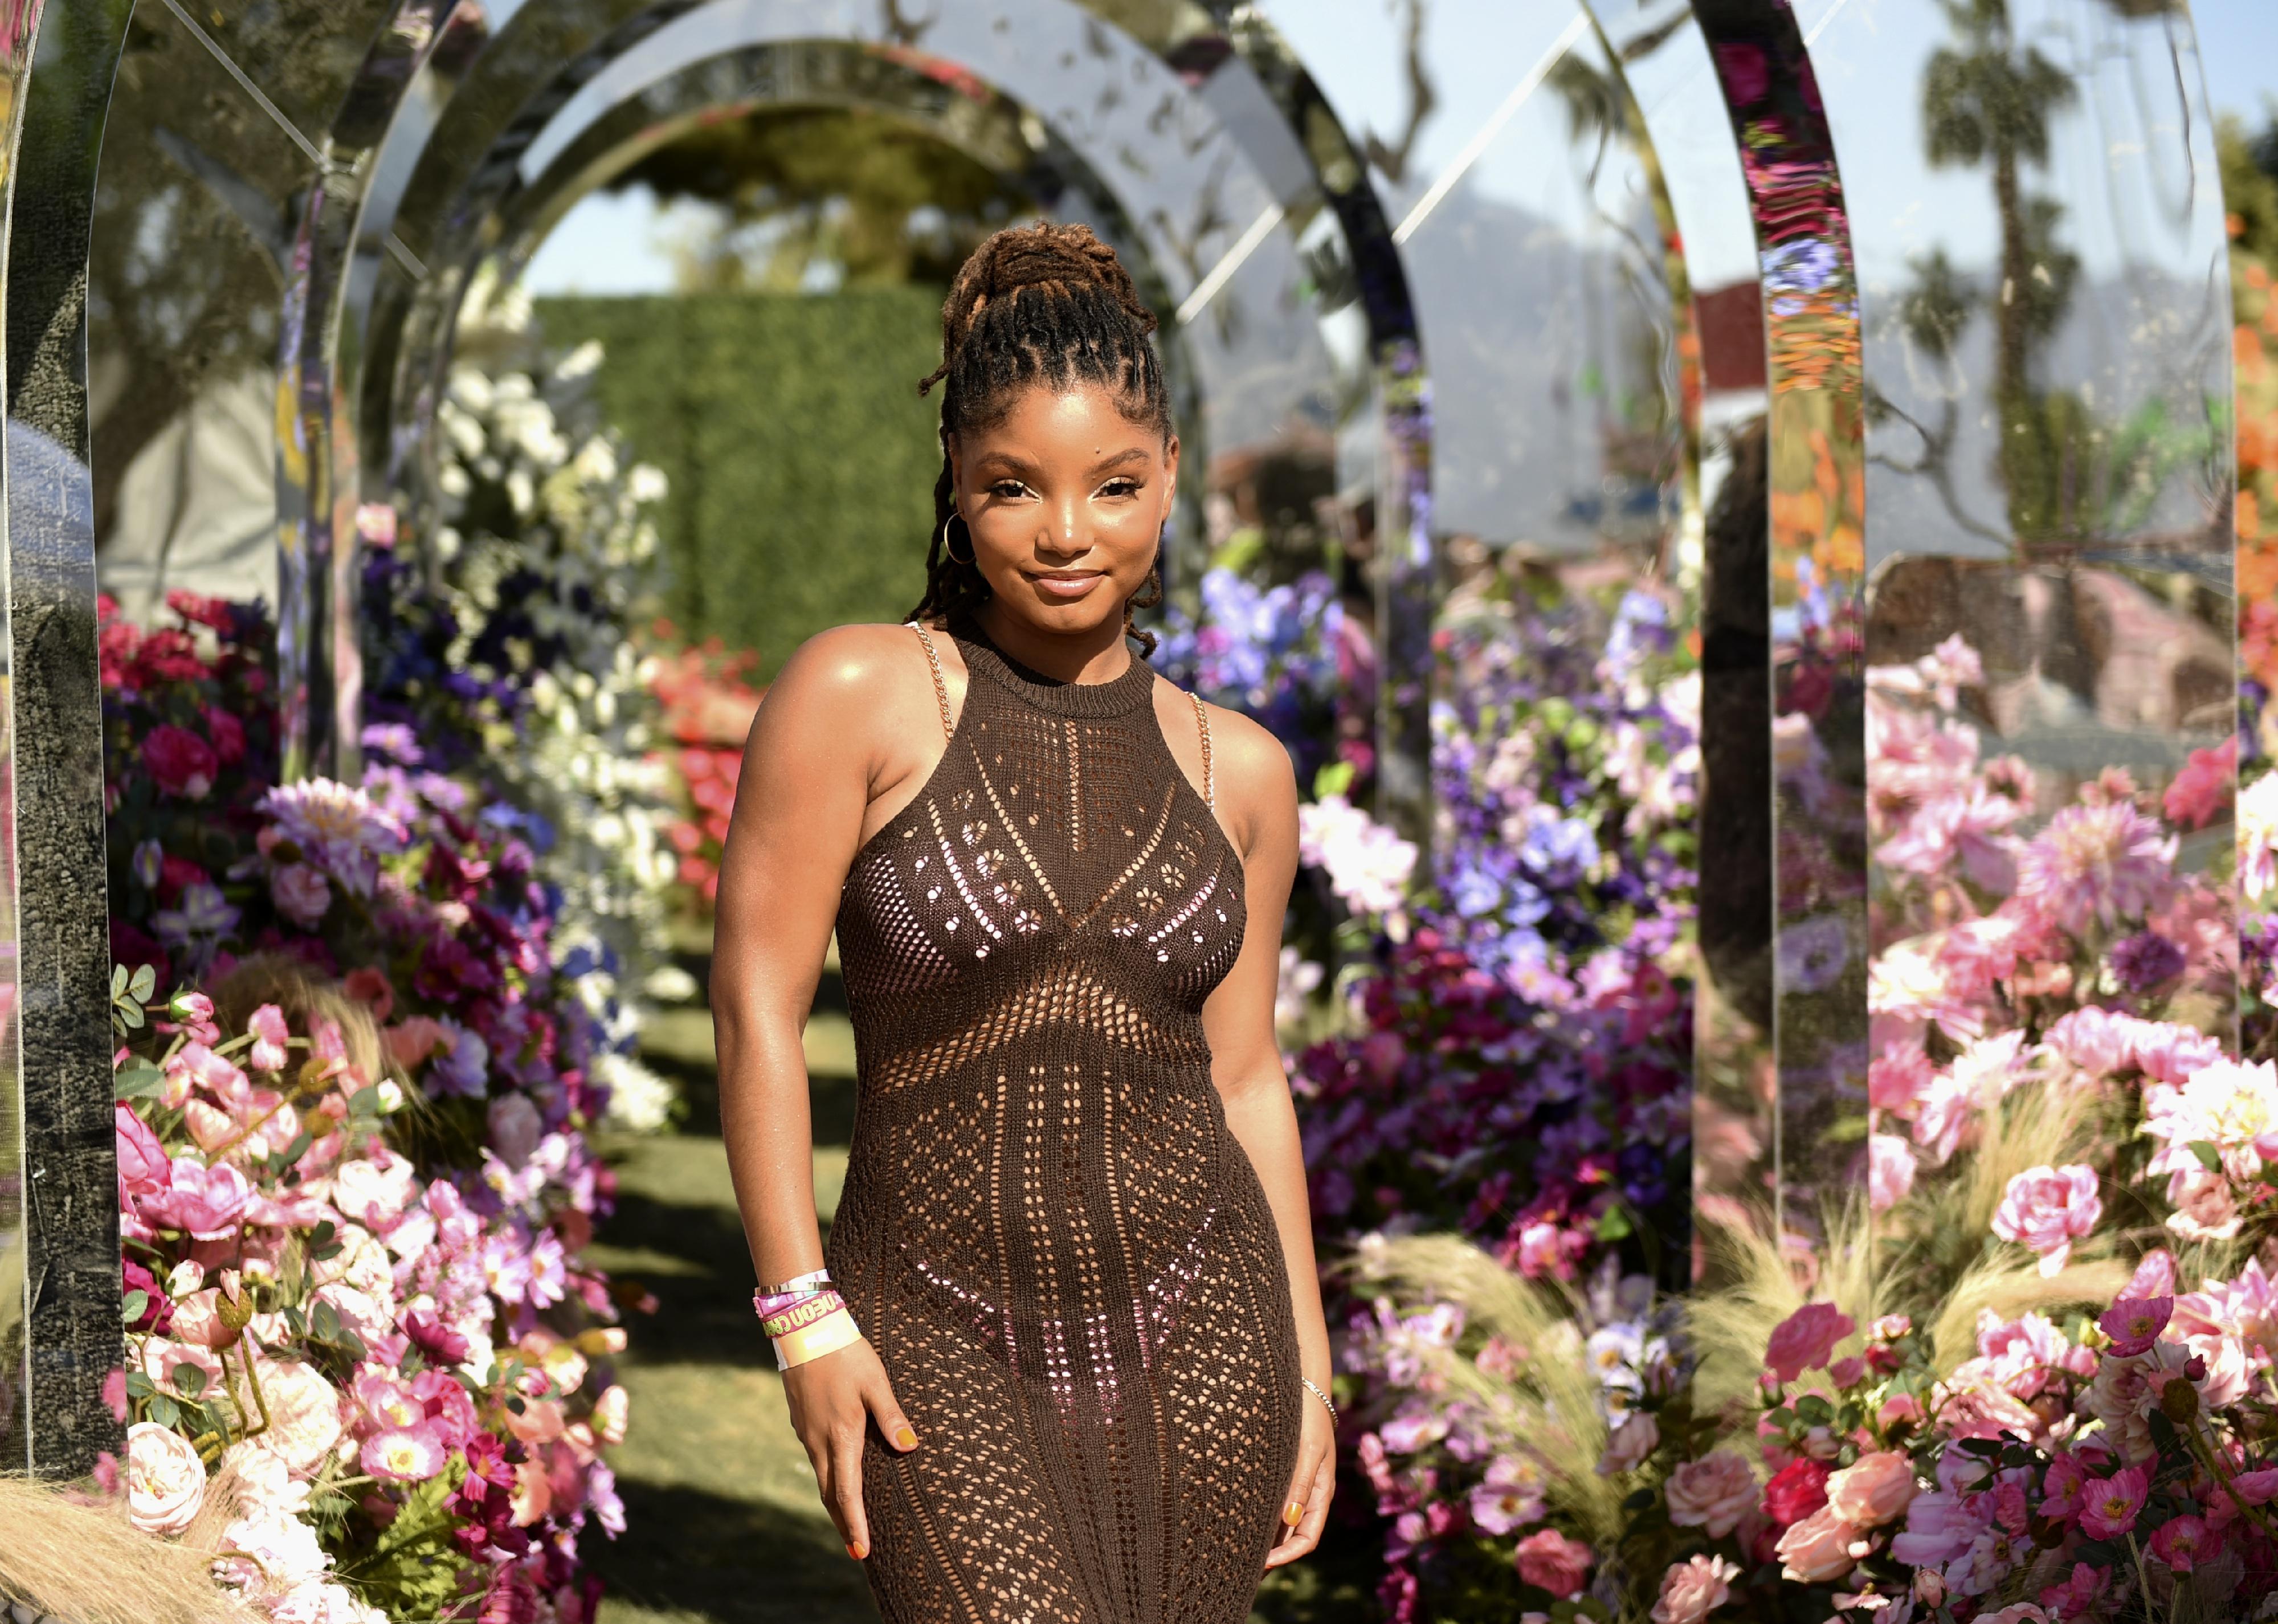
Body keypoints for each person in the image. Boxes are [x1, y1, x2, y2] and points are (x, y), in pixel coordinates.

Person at [711, 220, 1337, 1621]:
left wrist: (1308, 1367)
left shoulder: (1239, 770)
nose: (1066, 534)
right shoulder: (860, 694)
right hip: (931, 1332)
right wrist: (802, 1315)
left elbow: (1245, 1081)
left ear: (1170, 477)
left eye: (1114, 485)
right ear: (955, 482)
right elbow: (755, 1008)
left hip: (1205, 1327)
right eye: (1014, 488)